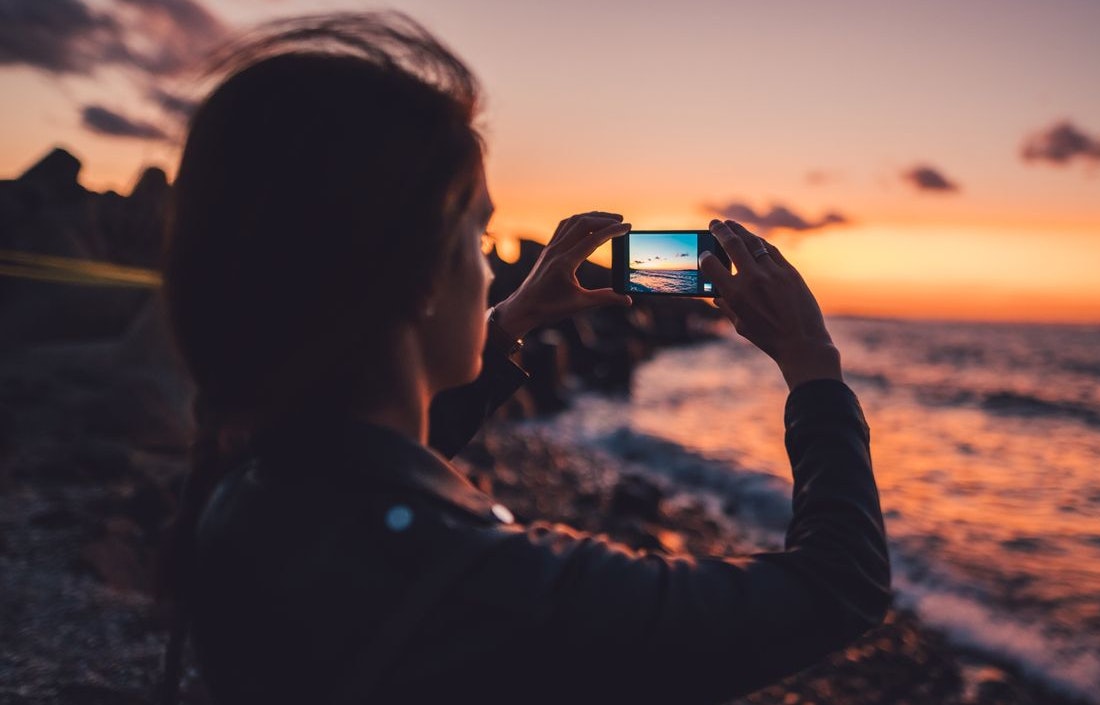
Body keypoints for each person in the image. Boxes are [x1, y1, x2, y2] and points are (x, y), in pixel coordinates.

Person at [155, 11, 890, 705]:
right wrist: (811, 366)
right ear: (417, 280)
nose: (492, 269)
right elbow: (838, 586)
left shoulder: (253, 479)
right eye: (479, 241)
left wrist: (510, 322)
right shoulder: (489, 584)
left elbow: (363, 464)